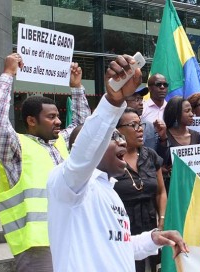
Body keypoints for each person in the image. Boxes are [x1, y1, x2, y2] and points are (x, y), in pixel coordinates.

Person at [47, 54, 187, 271]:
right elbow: (86, 150)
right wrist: (113, 101)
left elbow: (117, 246)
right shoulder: (67, 184)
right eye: (113, 136)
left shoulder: (109, 190)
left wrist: (153, 239)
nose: (122, 142)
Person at [0, 53, 90, 271]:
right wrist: (8, 74)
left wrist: (77, 87)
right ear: (31, 121)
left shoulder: (61, 142)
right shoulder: (16, 148)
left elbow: (84, 126)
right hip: (38, 247)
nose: (59, 121)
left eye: (58, 116)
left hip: (71, 234)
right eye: (51, 117)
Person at [114, 108, 167, 272]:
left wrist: (162, 218)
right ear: (117, 130)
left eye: (140, 124)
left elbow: (161, 191)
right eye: (133, 125)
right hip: (122, 229)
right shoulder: (111, 159)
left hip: (151, 225)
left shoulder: (150, 155)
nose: (140, 129)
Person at [158, 96, 200, 192]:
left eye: (191, 110)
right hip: (171, 189)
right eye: (187, 111)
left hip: (191, 188)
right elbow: (160, 162)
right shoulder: (164, 135)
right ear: (175, 114)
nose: (191, 114)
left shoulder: (196, 135)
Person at [125, 85, 165, 151]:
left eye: (142, 99)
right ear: (124, 101)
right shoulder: (115, 126)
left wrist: (163, 138)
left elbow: (161, 157)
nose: (141, 103)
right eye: (137, 99)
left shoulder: (149, 126)